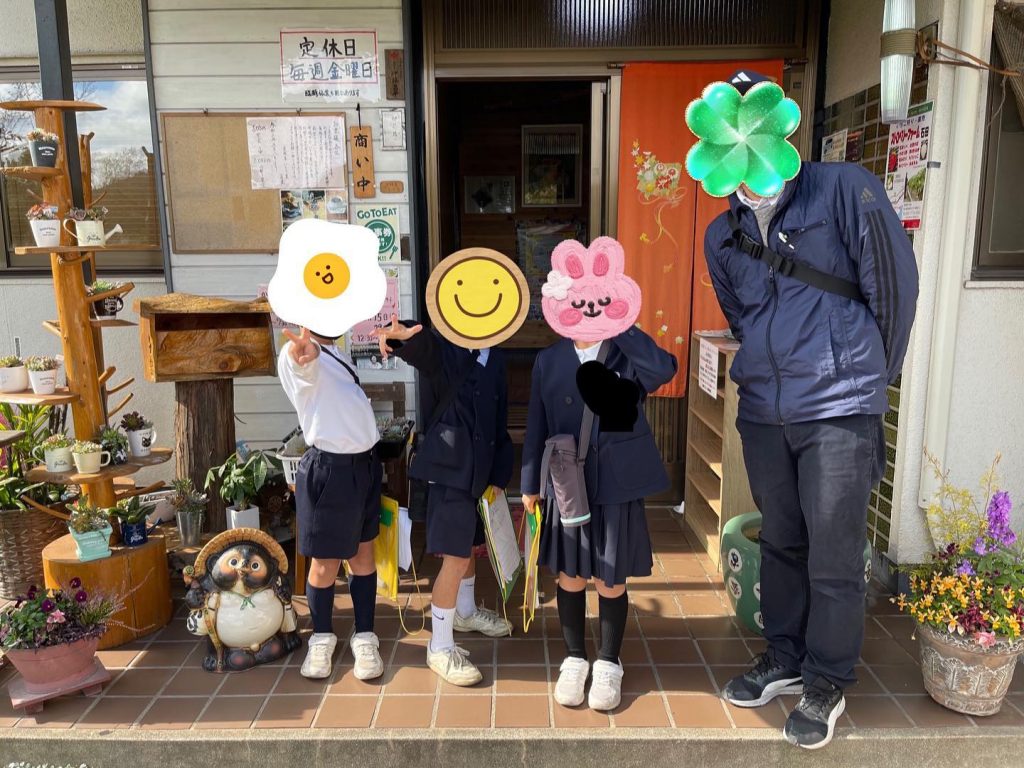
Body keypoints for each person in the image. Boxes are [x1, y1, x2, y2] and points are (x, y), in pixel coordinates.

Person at [702, 70, 919, 750]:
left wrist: (868, 379)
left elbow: (895, 288)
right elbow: (740, 314)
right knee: (781, 540)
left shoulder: (844, 189)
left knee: (833, 552)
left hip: (840, 407)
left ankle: (826, 678)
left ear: (780, 126)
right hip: (766, 408)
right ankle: (785, 656)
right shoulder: (721, 233)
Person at [521, 328, 677, 711]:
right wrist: (530, 484)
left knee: (610, 577)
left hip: (616, 482)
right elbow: (537, 421)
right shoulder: (550, 358)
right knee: (570, 575)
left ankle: (609, 661)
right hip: (567, 483)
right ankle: (575, 658)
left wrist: (621, 324)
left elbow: (662, 370)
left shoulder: (626, 354)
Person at [374, 316, 514, 686]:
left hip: (480, 474)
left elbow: (499, 422)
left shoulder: (495, 358)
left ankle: (465, 612)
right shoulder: (446, 349)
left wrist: (500, 475)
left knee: (469, 546)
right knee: (454, 558)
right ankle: (439, 646)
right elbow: (423, 347)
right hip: (449, 470)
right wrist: (403, 335)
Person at [277, 326, 384, 682]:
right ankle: (322, 636)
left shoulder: (337, 351)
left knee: (362, 554)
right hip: (330, 468)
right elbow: (302, 372)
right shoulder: (299, 353)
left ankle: (365, 634)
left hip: (364, 465)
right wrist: (305, 360)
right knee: (324, 563)